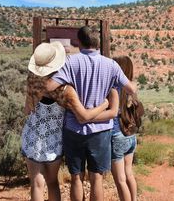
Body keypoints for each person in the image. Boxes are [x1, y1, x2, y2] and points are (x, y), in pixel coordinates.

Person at [46, 26, 137, 201]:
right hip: (101, 132)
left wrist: (67, 91)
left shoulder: (71, 62)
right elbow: (131, 88)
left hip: (73, 129)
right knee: (97, 179)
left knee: (76, 178)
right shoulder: (111, 65)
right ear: (97, 42)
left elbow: (49, 87)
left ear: (79, 42)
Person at [22, 42, 119, 201]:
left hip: (32, 136)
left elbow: (27, 110)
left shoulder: (32, 80)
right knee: (53, 182)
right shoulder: (66, 90)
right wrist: (105, 104)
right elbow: (84, 116)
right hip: (54, 140)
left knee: (37, 183)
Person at [111, 56, 138, 201]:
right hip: (131, 135)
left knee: (120, 180)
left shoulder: (115, 88)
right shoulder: (131, 89)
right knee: (129, 174)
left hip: (117, 135)